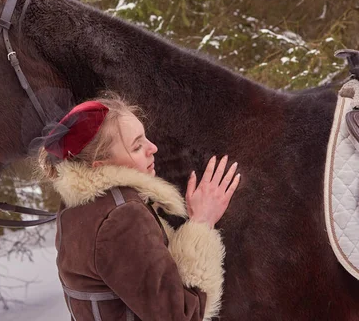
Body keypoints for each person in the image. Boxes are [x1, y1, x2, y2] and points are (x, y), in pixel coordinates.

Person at [37, 95, 240, 321]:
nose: (152, 148)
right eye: (136, 146)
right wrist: (202, 223)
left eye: (145, 138)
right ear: (101, 166)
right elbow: (180, 316)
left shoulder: (75, 208)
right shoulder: (122, 217)